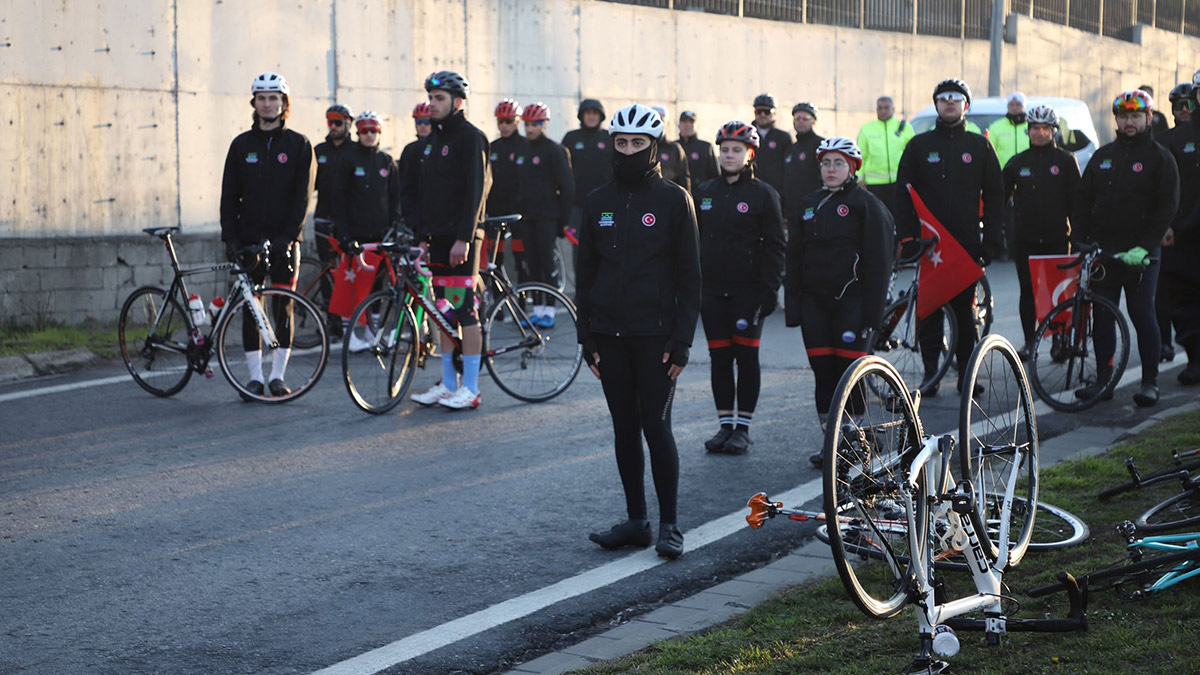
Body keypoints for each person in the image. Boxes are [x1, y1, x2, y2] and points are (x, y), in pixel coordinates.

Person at [576, 104, 701, 560]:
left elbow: (691, 277)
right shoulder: (597, 201)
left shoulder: (673, 199)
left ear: (654, 147)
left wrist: (682, 341)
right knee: (624, 428)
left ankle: (669, 524)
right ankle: (637, 521)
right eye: (621, 143)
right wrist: (585, 337)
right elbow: (584, 274)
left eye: (637, 144)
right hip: (608, 336)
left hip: (657, 337)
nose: (628, 151)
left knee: (655, 426)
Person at [785, 137, 894, 466]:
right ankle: (831, 442)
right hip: (814, 303)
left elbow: (880, 262)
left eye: (839, 163)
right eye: (826, 163)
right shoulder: (807, 204)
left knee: (850, 375)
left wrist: (875, 315)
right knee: (823, 374)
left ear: (852, 168)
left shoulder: (866, 204)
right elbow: (794, 259)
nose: (831, 169)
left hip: (854, 303)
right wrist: (793, 307)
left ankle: (856, 441)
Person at [894, 78, 1004, 395]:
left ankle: (965, 378)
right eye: (943, 98)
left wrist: (993, 238)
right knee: (929, 311)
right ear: (937, 105)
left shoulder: (979, 146)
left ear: (965, 105)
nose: (950, 102)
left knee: (963, 315)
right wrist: (908, 237)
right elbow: (903, 195)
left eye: (956, 98)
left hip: (965, 244)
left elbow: (996, 195)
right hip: (931, 245)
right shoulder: (919, 146)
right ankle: (931, 375)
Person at [1072, 89, 1180, 407]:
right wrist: (1080, 239)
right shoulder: (1103, 156)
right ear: (1117, 119)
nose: (1129, 122)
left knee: (1142, 313)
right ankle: (1103, 382)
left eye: (1135, 116)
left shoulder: (1161, 157)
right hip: (1104, 252)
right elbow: (1082, 200)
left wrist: (1145, 247)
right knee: (1103, 317)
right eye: (1123, 116)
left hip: (1141, 255)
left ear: (1148, 118)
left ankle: (1150, 383)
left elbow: (1167, 206)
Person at [219, 71, 315, 400]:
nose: (267, 103)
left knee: (283, 308)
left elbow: (303, 198)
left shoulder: (300, 145)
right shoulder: (241, 145)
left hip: (285, 243)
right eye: (261, 98)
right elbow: (229, 196)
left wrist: (288, 237)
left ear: (284, 103)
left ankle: (278, 376)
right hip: (248, 240)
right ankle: (255, 379)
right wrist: (230, 238)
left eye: (274, 98)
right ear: (254, 103)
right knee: (251, 309)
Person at [403, 71, 492, 410]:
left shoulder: (470, 138)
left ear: (457, 102)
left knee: (464, 309)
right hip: (437, 237)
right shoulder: (433, 142)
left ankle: (470, 387)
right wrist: (422, 238)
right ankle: (449, 383)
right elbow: (427, 195)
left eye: (439, 98)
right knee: (442, 312)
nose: (432, 104)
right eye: (430, 97)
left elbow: (475, 193)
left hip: (461, 241)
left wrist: (464, 239)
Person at [695, 122, 784, 455]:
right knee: (719, 359)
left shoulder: (763, 194)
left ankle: (742, 428)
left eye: (736, 150)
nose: (729, 155)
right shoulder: (704, 191)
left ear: (750, 154)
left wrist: (769, 291)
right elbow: (692, 242)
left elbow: (776, 245)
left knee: (746, 358)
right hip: (712, 291)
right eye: (724, 149)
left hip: (748, 292)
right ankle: (724, 426)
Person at [1002, 104, 1080, 359]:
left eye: (1044, 128)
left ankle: (1059, 341)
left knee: (1057, 292)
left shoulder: (1066, 161)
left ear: (1053, 131)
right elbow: (999, 198)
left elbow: (1076, 202)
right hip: (1025, 238)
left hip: (1058, 237)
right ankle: (1029, 342)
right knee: (1028, 292)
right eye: (1034, 128)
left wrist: (1079, 237)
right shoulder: (1017, 163)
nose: (1038, 133)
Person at [333, 111, 402, 352]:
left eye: (373, 130)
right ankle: (349, 334)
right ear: (358, 132)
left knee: (376, 286)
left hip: (380, 237)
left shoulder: (387, 162)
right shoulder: (348, 160)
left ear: (380, 132)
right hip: (355, 237)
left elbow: (395, 201)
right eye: (364, 131)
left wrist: (395, 228)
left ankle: (371, 333)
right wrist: (344, 234)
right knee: (351, 285)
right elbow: (339, 200)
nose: (369, 135)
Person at [1156, 74, 1200, 385]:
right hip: (1183, 234)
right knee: (1183, 300)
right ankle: (1195, 359)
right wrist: (1167, 224)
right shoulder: (1175, 139)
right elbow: (1160, 187)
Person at [517, 102, 574, 327]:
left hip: (547, 217)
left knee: (546, 263)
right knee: (532, 265)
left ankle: (550, 309)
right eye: (527, 124)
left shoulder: (555, 150)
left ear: (544, 124)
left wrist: (563, 221)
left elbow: (567, 187)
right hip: (527, 216)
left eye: (535, 124)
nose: (530, 129)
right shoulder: (522, 150)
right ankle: (538, 309)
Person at [312, 103, 356, 339]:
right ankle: (332, 321)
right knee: (328, 270)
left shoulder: (355, 151)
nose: (334, 126)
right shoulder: (319, 151)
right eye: (330, 122)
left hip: (348, 222)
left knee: (348, 271)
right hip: (323, 218)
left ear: (349, 124)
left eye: (338, 122)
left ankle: (349, 319)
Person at [487, 98, 528, 270]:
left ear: (517, 122)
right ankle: (498, 295)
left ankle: (527, 296)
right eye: (500, 121)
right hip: (496, 212)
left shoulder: (526, 146)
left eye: (508, 121)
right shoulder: (492, 147)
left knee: (522, 259)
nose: (504, 125)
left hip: (519, 212)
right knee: (495, 259)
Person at [856, 95, 915, 214]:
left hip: (898, 182)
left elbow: (912, 156)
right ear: (876, 109)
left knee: (899, 215)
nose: (883, 111)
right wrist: (860, 179)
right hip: (874, 184)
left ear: (893, 109)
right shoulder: (867, 129)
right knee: (877, 216)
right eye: (880, 108)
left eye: (886, 108)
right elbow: (861, 155)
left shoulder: (905, 128)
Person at [562, 99, 613, 233]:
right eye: (588, 113)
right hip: (577, 204)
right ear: (581, 116)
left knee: (605, 238)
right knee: (577, 242)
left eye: (595, 113)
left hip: (605, 202)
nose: (591, 116)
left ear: (600, 116)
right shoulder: (571, 138)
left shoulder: (609, 138)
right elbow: (562, 171)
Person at [780, 102, 824, 222]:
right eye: (797, 118)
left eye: (805, 118)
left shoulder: (821, 145)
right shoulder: (791, 149)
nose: (801, 121)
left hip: (813, 207)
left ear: (813, 121)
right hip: (791, 210)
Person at [751, 93, 792, 195]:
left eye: (767, 112)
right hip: (751, 190)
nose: (762, 115)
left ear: (774, 113)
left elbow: (789, 169)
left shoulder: (783, 137)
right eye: (759, 111)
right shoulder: (747, 136)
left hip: (776, 192)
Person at [651, 105, 692, 192]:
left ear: (668, 124)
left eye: (661, 120)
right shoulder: (641, 146)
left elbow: (684, 178)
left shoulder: (675, 149)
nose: (657, 123)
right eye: (654, 120)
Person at [398, 102, 433, 197]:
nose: (422, 126)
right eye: (419, 122)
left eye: (426, 122)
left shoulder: (440, 146)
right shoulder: (409, 149)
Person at [678, 110, 718, 189]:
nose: (688, 125)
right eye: (684, 122)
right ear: (679, 125)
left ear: (697, 126)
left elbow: (715, 176)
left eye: (691, 122)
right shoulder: (673, 147)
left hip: (701, 195)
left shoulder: (706, 147)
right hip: (678, 195)